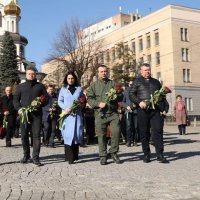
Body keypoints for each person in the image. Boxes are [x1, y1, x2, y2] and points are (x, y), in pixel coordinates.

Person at [129, 63, 167, 163]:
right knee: (144, 132)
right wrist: (139, 101)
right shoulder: (137, 81)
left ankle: (160, 154)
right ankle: (146, 154)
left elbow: (162, 97)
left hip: (155, 111)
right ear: (141, 71)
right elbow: (131, 94)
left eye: (148, 70)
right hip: (143, 111)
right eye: (145, 70)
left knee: (158, 131)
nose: (147, 72)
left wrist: (164, 108)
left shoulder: (156, 82)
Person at [87, 64, 122, 165]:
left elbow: (120, 97)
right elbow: (89, 99)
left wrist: (117, 94)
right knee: (101, 136)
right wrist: (98, 104)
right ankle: (103, 156)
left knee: (116, 132)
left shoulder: (113, 83)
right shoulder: (93, 85)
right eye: (101, 71)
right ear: (98, 73)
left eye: (105, 71)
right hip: (100, 114)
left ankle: (114, 152)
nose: (104, 73)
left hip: (113, 113)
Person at [13, 67, 48, 166]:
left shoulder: (40, 86)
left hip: (37, 115)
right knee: (24, 136)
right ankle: (26, 155)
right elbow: (15, 99)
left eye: (33, 74)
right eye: (29, 74)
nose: (31, 75)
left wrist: (40, 104)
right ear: (26, 74)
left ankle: (35, 157)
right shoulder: (21, 86)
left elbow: (46, 99)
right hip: (24, 115)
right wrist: (19, 109)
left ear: (35, 74)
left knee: (36, 136)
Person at [58, 71, 85, 164]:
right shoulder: (63, 89)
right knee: (67, 135)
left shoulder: (79, 89)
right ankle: (69, 157)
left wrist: (80, 105)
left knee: (76, 135)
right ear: (66, 79)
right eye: (68, 78)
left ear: (75, 79)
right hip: (66, 116)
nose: (70, 80)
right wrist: (65, 109)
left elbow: (83, 100)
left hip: (77, 115)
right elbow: (59, 101)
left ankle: (75, 155)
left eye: (72, 78)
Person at [122, 81, 138, 147]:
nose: (131, 85)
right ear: (128, 85)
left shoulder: (137, 92)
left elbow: (140, 100)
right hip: (128, 112)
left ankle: (135, 141)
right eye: (130, 84)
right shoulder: (125, 92)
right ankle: (128, 141)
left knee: (136, 127)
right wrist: (127, 106)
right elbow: (122, 102)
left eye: (133, 84)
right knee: (128, 127)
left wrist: (136, 104)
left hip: (136, 112)